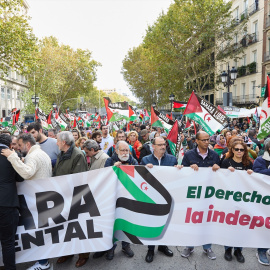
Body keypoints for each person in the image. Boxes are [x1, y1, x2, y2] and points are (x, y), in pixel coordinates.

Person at [1, 133, 52, 270]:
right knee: (11, 240)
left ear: (27, 144)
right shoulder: (36, 154)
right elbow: (22, 176)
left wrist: (13, 157)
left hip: (37, 200)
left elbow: (26, 173)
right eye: (14, 145)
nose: (17, 148)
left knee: (38, 231)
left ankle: (43, 262)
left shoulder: (33, 156)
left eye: (19, 145)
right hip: (28, 200)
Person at [141, 136, 182, 263]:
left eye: (164, 144)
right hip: (151, 197)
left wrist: (179, 170)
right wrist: (145, 170)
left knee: (165, 222)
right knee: (152, 224)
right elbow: (139, 178)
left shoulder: (171, 159)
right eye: (160, 145)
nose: (163, 147)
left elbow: (177, 178)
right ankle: (151, 249)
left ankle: (163, 246)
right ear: (153, 146)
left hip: (167, 196)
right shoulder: (145, 159)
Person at [181, 131, 220, 260]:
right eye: (203, 140)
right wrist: (189, 168)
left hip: (209, 195)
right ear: (196, 141)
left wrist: (217, 167)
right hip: (193, 195)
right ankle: (189, 246)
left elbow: (220, 177)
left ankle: (207, 247)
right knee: (191, 220)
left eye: (208, 139)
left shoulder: (214, 155)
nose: (207, 142)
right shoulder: (188, 155)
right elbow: (181, 174)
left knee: (207, 221)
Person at [96, 141, 137, 260]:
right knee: (112, 224)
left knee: (126, 224)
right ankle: (111, 248)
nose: (125, 153)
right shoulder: (110, 160)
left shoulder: (132, 160)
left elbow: (138, 176)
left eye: (127, 150)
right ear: (117, 151)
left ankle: (126, 246)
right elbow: (105, 177)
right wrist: (113, 168)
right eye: (122, 150)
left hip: (127, 197)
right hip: (112, 197)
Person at [54, 131, 89, 268]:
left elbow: (77, 180)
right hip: (62, 196)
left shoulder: (78, 155)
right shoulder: (61, 154)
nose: (56, 143)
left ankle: (83, 255)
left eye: (57, 140)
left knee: (78, 228)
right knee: (66, 228)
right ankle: (68, 251)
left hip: (74, 198)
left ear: (63, 142)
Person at [221, 140, 253, 263]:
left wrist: (251, 174)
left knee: (241, 226)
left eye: (242, 149)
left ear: (245, 151)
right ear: (232, 150)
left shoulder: (248, 163)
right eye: (237, 149)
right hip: (228, 198)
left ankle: (238, 250)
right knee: (229, 225)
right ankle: (227, 249)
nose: (239, 151)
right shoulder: (226, 162)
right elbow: (218, 177)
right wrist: (225, 172)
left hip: (243, 199)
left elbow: (252, 182)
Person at [0, 134, 24, 270]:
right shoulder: (11, 157)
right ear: (10, 145)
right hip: (7, 204)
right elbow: (21, 178)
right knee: (8, 242)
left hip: (7, 203)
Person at [253, 138, 270, 265]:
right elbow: (257, 175)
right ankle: (261, 251)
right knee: (265, 225)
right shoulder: (260, 160)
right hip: (265, 199)